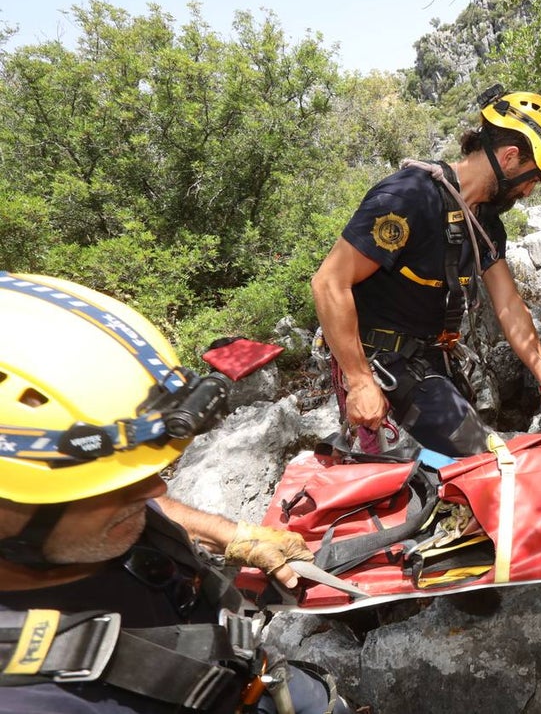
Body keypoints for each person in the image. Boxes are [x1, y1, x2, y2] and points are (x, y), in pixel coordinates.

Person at [0, 273, 348, 714]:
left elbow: (144, 496)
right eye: (107, 484)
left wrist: (229, 533)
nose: (154, 488)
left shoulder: (47, 513)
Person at [311, 84, 541, 457]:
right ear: (509, 157)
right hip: (385, 367)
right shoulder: (410, 197)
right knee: (487, 465)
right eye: (532, 178)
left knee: (467, 472)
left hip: (430, 366)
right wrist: (359, 382)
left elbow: (509, 306)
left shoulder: (485, 224)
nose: (528, 193)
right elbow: (329, 282)